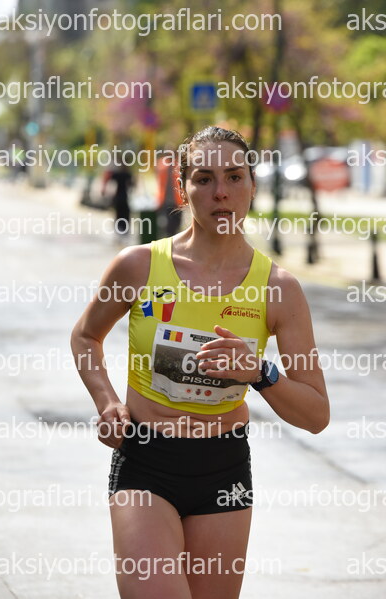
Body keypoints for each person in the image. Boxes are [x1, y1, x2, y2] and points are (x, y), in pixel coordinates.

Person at [71, 126, 330, 599]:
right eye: (204, 179)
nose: (221, 193)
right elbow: (86, 336)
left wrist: (259, 372)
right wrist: (106, 401)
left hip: (223, 469)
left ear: (252, 184)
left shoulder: (278, 289)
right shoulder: (138, 266)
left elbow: (315, 414)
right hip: (145, 459)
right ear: (182, 187)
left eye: (234, 177)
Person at [102, 164, 134, 236]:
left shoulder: (119, 174)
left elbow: (108, 176)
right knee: (122, 213)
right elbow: (132, 184)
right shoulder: (125, 174)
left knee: (120, 213)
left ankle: (121, 227)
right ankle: (122, 228)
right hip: (123, 196)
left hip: (120, 196)